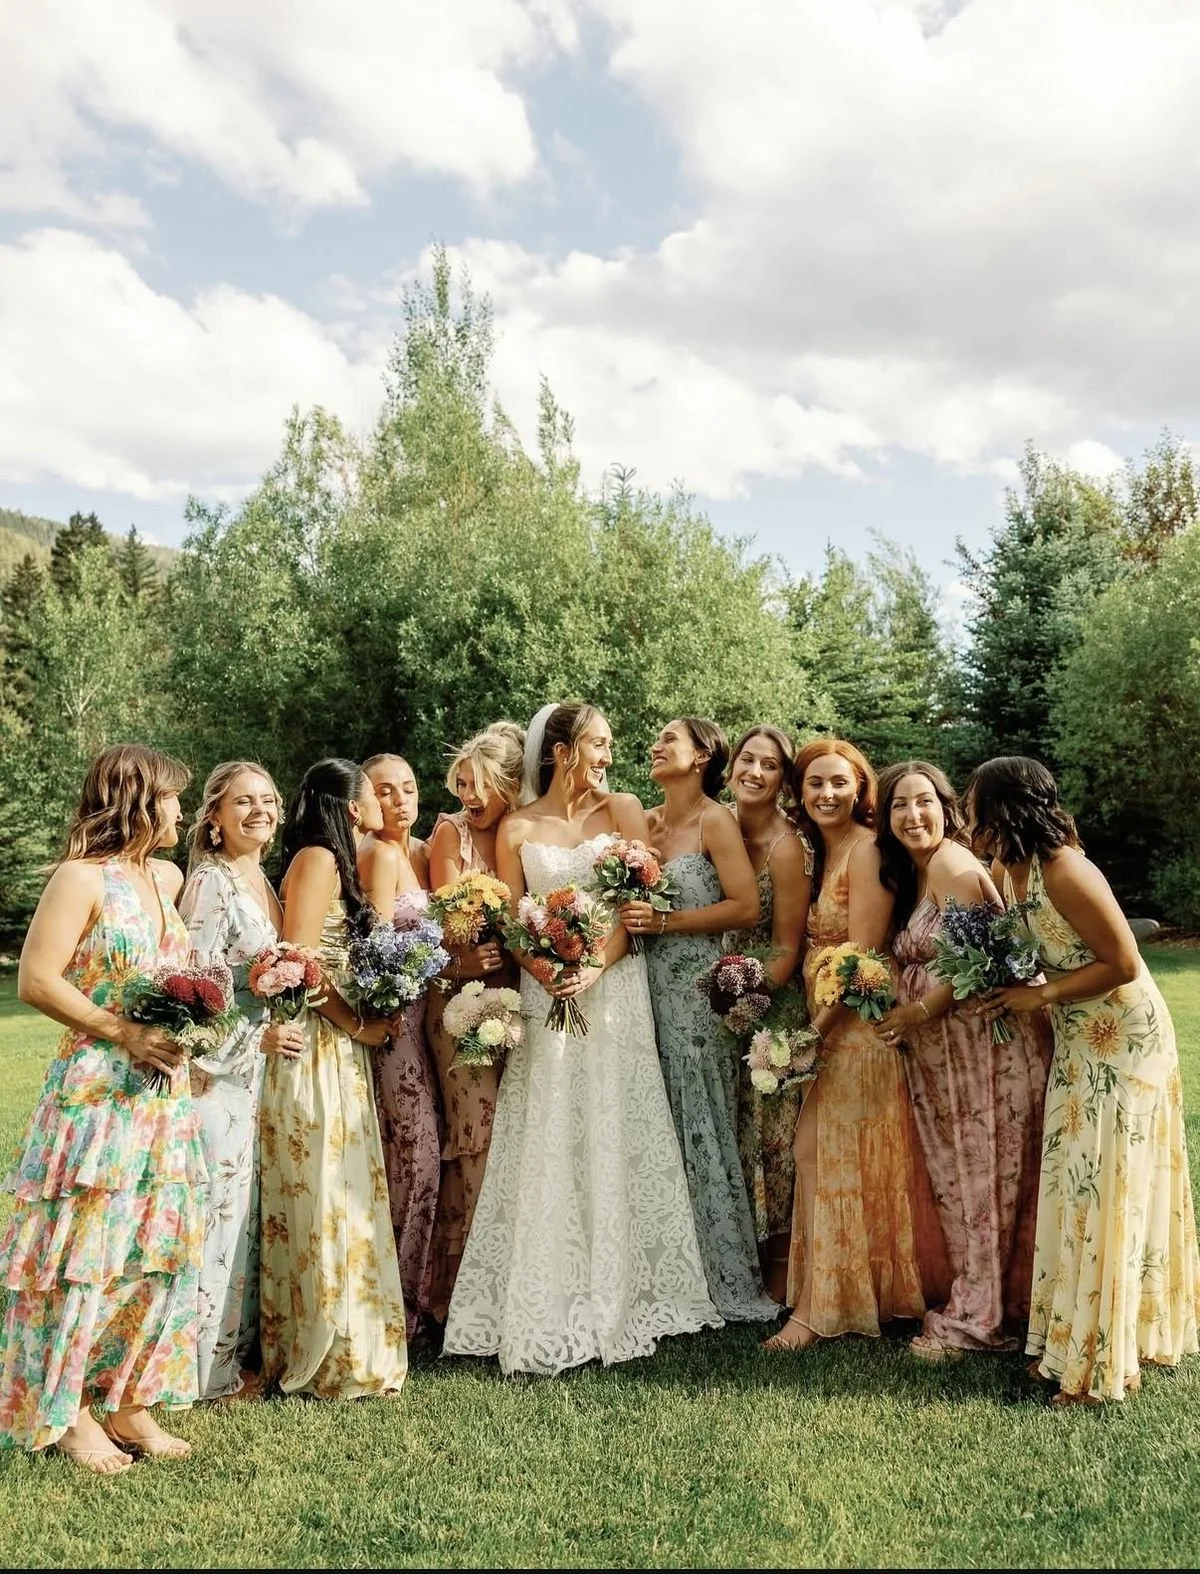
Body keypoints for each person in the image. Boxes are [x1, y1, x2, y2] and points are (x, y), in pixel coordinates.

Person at [443, 703, 720, 1373]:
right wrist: (544, 967)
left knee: (616, 1120)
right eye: (598, 743)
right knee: (552, 1124)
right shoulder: (517, 827)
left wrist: (595, 963)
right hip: (547, 991)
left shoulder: (624, 809)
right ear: (562, 750)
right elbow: (512, 917)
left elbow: (637, 904)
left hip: (614, 985)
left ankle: (632, 1285)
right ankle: (551, 1286)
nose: (607, 755)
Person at [968, 755, 1200, 1402]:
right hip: (1077, 1034)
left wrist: (1041, 998)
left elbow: (1124, 961)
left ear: (1004, 807)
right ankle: (1068, 1338)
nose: (966, 812)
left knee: (1107, 1186)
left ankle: (1105, 1364)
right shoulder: (1004, 872)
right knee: (1077, 1184)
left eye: (973, 801)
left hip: (1124, 1039)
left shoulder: (1066, 870)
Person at [0, 744, 205, 1471]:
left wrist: (189, 1034)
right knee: (88, 1252)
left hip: (162, 1098)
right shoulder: (79, 878)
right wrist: (126, 1033)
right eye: (175, 797)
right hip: (97, 1095)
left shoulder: (168, 876)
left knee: (151, 1252)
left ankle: (128, 1400)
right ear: (138, 801)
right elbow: (36, 980)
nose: (184, 809)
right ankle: (69, 1411)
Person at [873, 762, 1048, 1359]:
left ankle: (982, 1318)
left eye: (924, 802)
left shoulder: (952, 864)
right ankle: (983, 1300)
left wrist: (914, 1014)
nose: (912, 815)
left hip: (981, 1052)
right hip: (942, 1057)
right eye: (899, 805)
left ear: (947, 809)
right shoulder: (920, 871)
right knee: (962, 1184)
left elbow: (972, 968)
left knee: (985, 1181)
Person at [767, 738, 926, 1353]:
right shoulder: (820, 851)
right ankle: (853, 1296)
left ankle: (818, 1313)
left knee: (824, 1158)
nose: (827, 793)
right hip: (831, 1030)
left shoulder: (865, 851)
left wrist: (811, 1037)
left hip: (859, 1032)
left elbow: (865, 965)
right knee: (826, 1160)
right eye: (814, 784)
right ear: (800, 794)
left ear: (862, 788)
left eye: (840, 782)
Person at [258, 758, 408, 1399]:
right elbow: (297, 963)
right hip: (314, 1048)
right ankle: (320, 1350)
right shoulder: (317, 859)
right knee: (322, 1189)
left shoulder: (339, 863)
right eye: (374, 793)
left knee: (346, 1190)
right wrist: (356, 1023)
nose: (383, 802)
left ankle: (356, 1336)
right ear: (351, 807)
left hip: (341, 1049)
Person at [621, 716, 776, 1322]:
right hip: (637, 990)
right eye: (654, 738)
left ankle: (722, 1276)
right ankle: (662, 1269)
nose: (655, 746)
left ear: (703, 756)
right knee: (652, 1120)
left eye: (669, 740)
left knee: (700, 1121)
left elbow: (745, 904)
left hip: (693, 991)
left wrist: (666, 924)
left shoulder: (716, 819)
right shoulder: (645, 825)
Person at [178, 760, 304, 1401]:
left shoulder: (266, 881)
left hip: (259, 1078)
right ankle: (203, 1375)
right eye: (242, 802)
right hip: (216, 1079)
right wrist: (256, 1036)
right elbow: (195, 995)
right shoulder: (209, 883)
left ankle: (231, 1358)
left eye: (267, 800)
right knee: (216, 1224)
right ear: (214, 818)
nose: (259, 810)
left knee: (246, 1220)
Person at [424, 723, 525, 1320]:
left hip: (520, 996)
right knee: (475, 1135)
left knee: (514, 1132)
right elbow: (443, 927)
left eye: (480, 785)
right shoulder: (448, 834)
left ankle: (517, 1274)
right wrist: (469, 957)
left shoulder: (522, 832)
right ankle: (464, 1294)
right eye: (461, 784)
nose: (469, 796)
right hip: (461, 1001)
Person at [721, 726, 812, 1301]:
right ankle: (734, 1252)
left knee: (774, 1138)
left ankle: (780, 1262)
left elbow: (787, 944)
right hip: (711, 995)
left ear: (784, 779)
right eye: (747, 760)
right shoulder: (714, 825)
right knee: (732, 1131)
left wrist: (748, 1004)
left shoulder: (788, 847)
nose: (755, 772)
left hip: (771, 1005)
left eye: (770, 765)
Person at [359, 753, 442, 1339]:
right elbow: (377, 952)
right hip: (397, 1028)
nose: (400, 800)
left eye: (409, 788)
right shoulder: (381, 855)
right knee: (416, 1158)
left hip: (439, 1023)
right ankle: (396, 1308)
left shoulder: (421, 852)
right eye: (385, 792)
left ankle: (425, 1293)